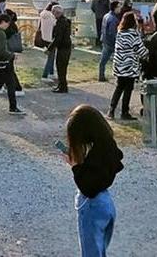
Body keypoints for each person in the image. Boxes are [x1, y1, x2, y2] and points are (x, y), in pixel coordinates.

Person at [63, 105, 123, 257]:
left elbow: (88, 188)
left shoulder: (93, 156)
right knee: (99, 251)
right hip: (106, 203)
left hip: (91, 206)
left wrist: (75, 166)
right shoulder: (107, 147)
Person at [109, 12, 145, 120]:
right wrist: (147, 55)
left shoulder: (120, 32)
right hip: (129, 66)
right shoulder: (134, 34)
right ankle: (124, 112)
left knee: (119, 87)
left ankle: (111, 110)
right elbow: (140, 50)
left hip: (119, 65)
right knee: (128, 89)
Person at [50, 5, 74, 93]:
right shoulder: (66, 21)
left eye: (53, 13)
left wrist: (50, 48)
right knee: (62, 68)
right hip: (66, 47)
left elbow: (58, 38)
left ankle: (63, 87)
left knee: (61, 68)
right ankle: (61, 85)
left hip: (63, 47)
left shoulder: (61, 23)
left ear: (56, 13)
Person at [98, 1, 122, 82]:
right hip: (112, 43)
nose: (120, 9)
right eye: (119, 7)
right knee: (119, 60)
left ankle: (101, 76)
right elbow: (112, 33)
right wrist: (117, 42)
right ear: (115, 8)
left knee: (103, 61)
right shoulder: (113, 19)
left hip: (105, 41)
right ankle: (119, 77)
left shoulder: (106, 16)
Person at [38, 1, 57, 83]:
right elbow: (55, 24)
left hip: (44, 37)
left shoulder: (42, 14)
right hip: (51, 38)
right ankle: (45, 75)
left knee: (51, 57)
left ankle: (51, 73)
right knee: (51, 58)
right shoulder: (51, 16)